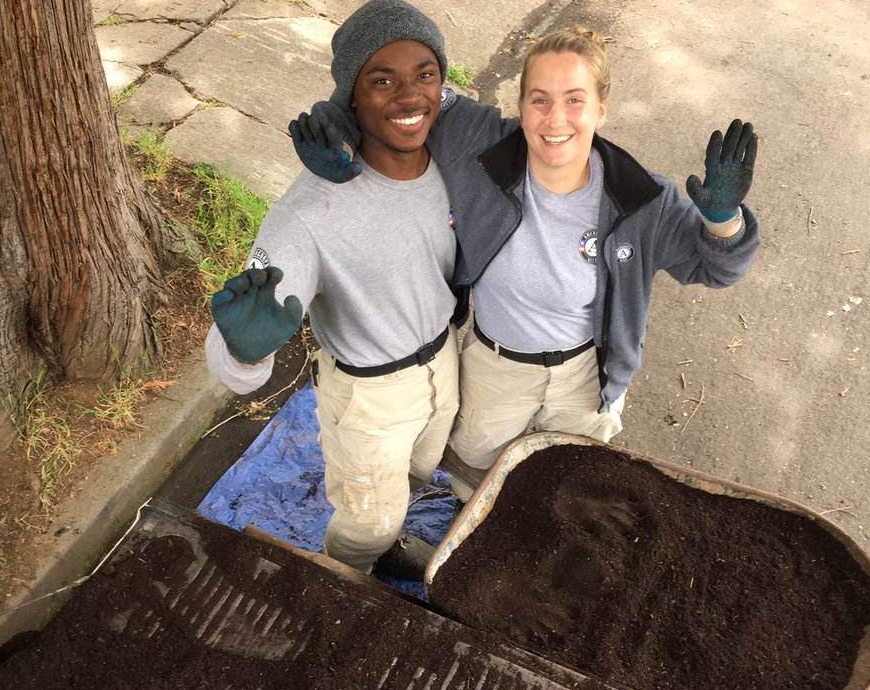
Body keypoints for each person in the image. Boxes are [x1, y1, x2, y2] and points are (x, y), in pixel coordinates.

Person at [291, 26, 761, 501]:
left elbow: (718, 268)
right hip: (495, 368)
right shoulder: (480, 144)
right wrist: (336, 126)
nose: (555, 119)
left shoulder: (642, 198)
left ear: (602, 109)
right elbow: (405, 94)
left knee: (568, 480)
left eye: (575, 100)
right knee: (472, 472)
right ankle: (468, 527)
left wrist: (723, 221)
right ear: (520, 107)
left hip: (587, 374)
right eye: (539, 100)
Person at [205, 0, 460, 573]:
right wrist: (245, 352)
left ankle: (389, 541)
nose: (409, 96)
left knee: (420, 471)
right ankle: (348, 584)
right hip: (369, 395)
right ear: (352, 96)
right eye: (381, 81)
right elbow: (239, 335)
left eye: (424, 74)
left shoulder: (448, 155)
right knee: (367, 521)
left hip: (446, 365)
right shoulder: (308, 214)